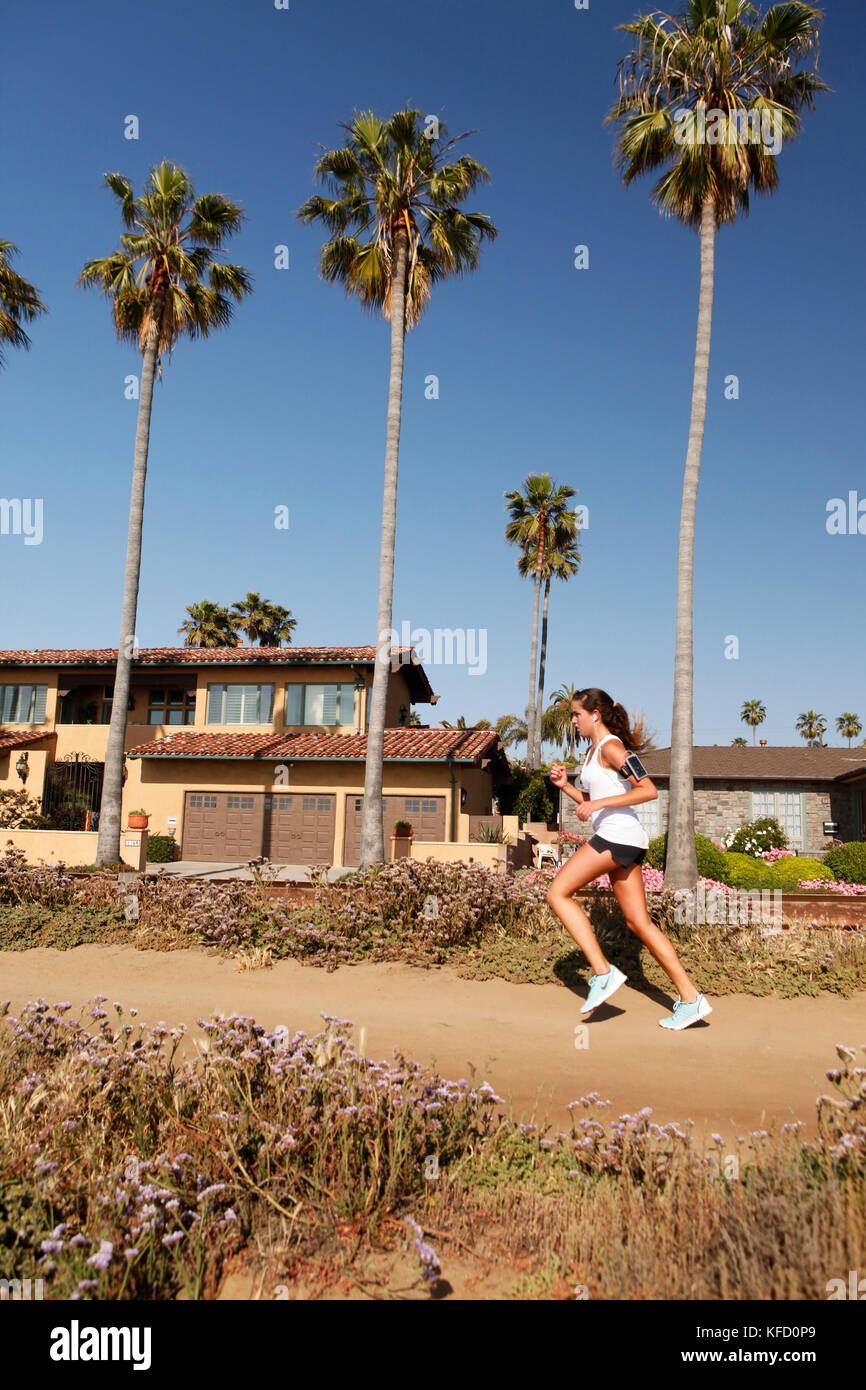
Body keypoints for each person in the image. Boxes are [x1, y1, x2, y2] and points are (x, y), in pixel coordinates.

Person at [547, 687, 712, 1030]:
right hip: (621, 838)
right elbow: (595, 799)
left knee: (557, 893)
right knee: (639, 923)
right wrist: (566, 786)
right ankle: (691, 998)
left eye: (577, 714)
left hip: (617, 837)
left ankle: (603, 972)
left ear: (595, 714)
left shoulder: (611, 747)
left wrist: (597, 804)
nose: (573, 721)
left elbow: (647, 789)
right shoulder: (594, 750)